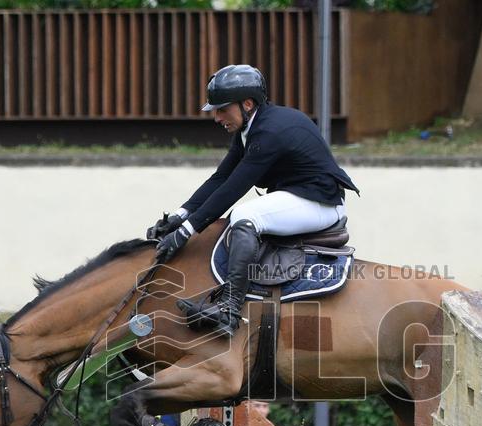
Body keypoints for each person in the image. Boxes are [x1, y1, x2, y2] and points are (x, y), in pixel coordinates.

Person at [147, 64, 359, 337]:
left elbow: (234, 188)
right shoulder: (251, 128)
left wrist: (186, 233)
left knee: (245, 216)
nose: (216, 117)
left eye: (222, 109)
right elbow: (220, 178)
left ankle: (230, 309)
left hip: (320, 204)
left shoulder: (268, 133)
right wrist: (181, 214)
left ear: (247, 104)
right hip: (299, 196)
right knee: (241, 213)